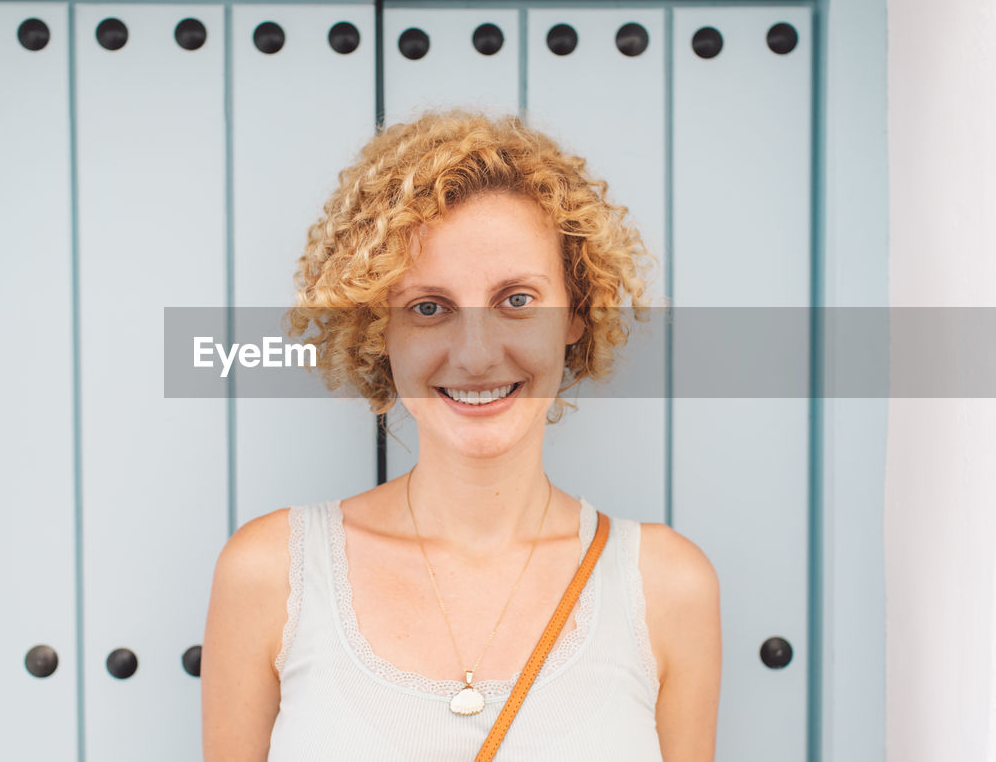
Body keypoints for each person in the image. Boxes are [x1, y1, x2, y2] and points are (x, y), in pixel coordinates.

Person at [201, 111, 721, 760]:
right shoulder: (271, 574)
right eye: (429, 307)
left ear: (577, 314)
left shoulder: (667, 586)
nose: (475, 355)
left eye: (517, 300)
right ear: (378, 330)